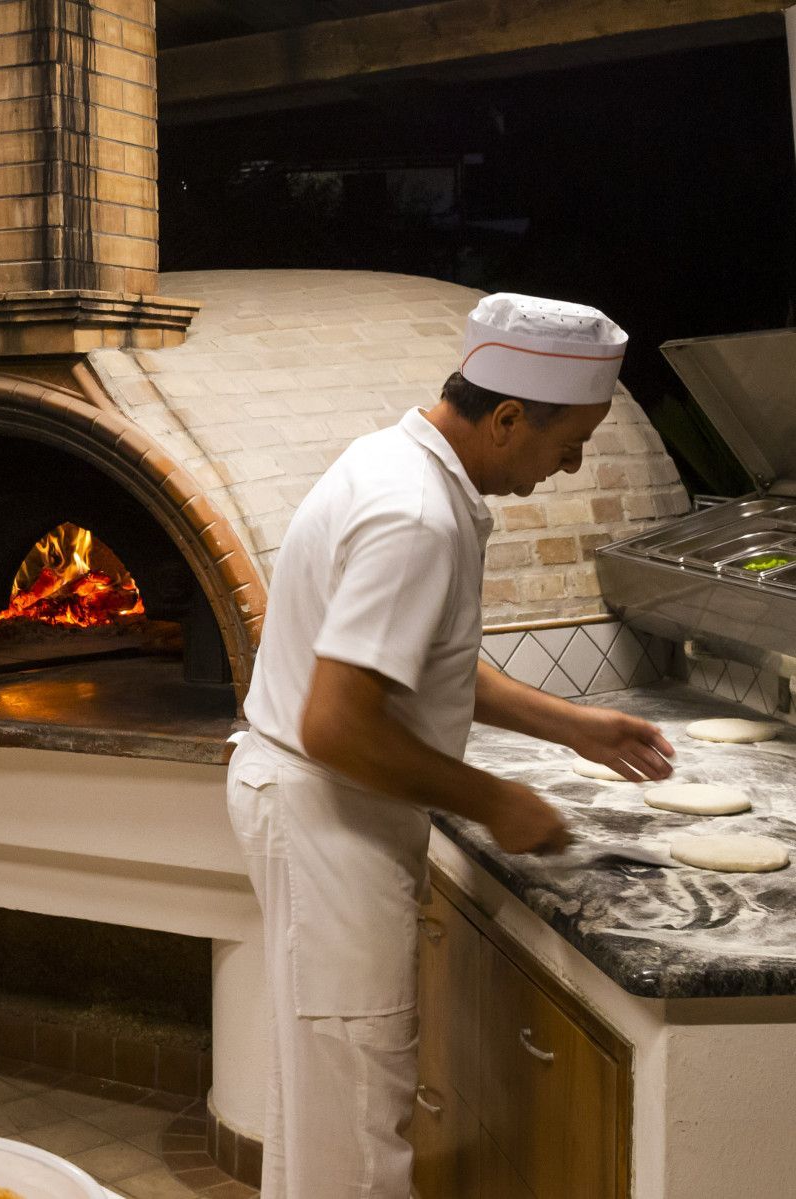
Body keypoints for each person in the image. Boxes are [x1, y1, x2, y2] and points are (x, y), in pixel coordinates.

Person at [226, 293, 677, 1198]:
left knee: (324, 1100)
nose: (572, 461)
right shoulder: (414, 517)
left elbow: (415, 664)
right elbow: (340, 723)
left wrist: (571, 723)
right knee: (357, 1115)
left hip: (311, 804)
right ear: (507, 417)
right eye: (570, 440)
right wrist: (494, 798)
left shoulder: (398, 463)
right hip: (329, 815)